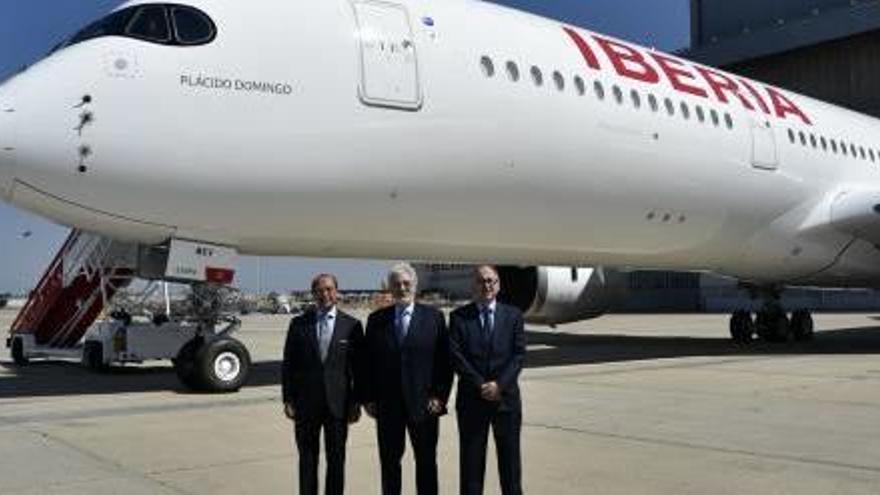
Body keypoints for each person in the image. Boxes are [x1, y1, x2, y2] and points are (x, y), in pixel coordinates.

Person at [363, 263, 453, 495]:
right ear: (390, 288)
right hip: (387, 407)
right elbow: (367, 364)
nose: (402, 288)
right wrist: (369, 398)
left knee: (426, 463)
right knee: (390, 464)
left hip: (424, 406)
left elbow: (444, 363)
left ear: (415, 285)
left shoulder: (434, 318)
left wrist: (439, 397)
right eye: (397, 284)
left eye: (406, 283)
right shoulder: (376, 321)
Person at [282, 273, 364, 495]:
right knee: (307, 459)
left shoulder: (352, 326)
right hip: (306, 405)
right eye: (319, 290)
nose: (324, 294)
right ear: (313, 294)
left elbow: (359, 370)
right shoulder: (298, 324)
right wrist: (288, 399)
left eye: (329, 289)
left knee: (337, 461)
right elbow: (289, 365)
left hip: (339, 406)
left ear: (337, 292)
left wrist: (356, 403)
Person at [449, 265, 526, 495]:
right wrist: (481, 385)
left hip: (506, 402)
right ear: (474, 285)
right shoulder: (459, 317)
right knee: (471, 467)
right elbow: (456, 356)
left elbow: (518, 355)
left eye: (491, 281)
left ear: (499, 285)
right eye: (482, 281)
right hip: (472, 401)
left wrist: (499, 385)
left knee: (510, 466)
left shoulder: (513, 316)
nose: (487, 285)